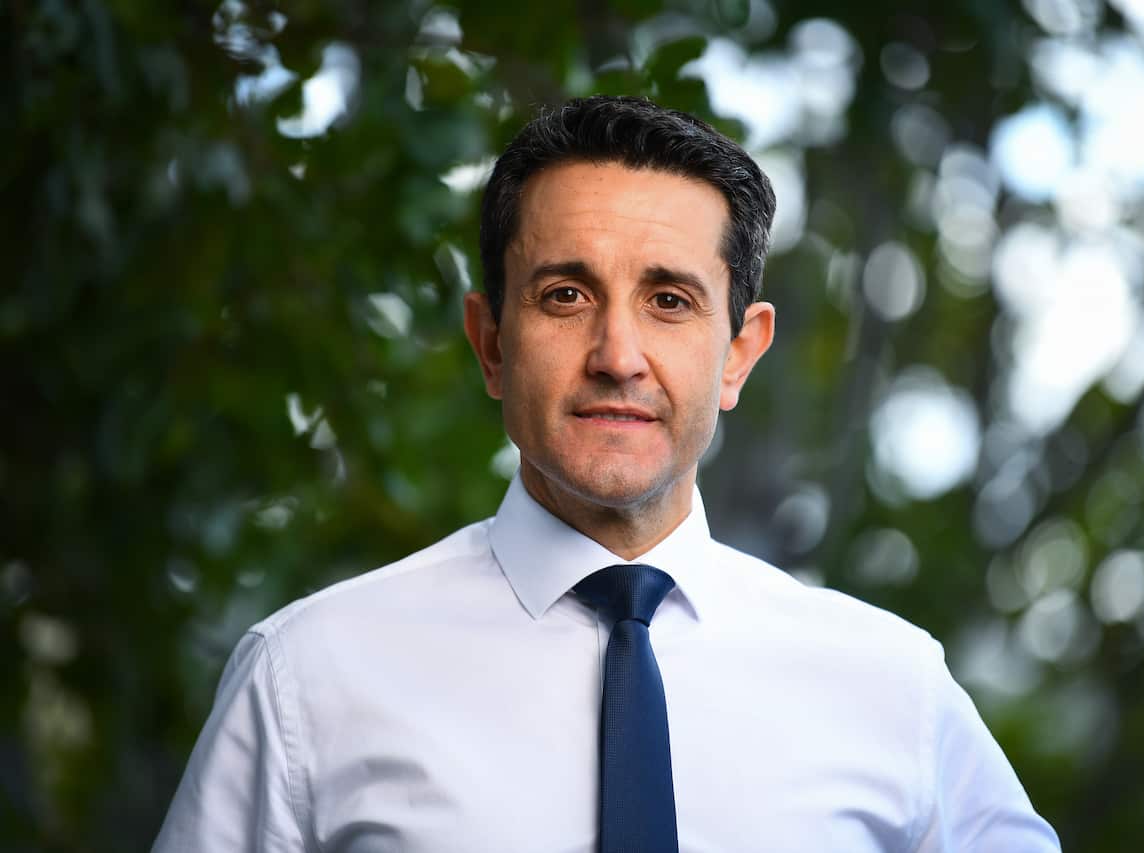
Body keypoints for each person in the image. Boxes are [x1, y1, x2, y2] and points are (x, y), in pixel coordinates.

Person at [154, 95, 1061, 852]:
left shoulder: (893, 688)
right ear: (491, 342)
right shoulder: (309, 677)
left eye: (669, 300)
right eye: (566, 295)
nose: (617, 354)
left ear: (739, 355)